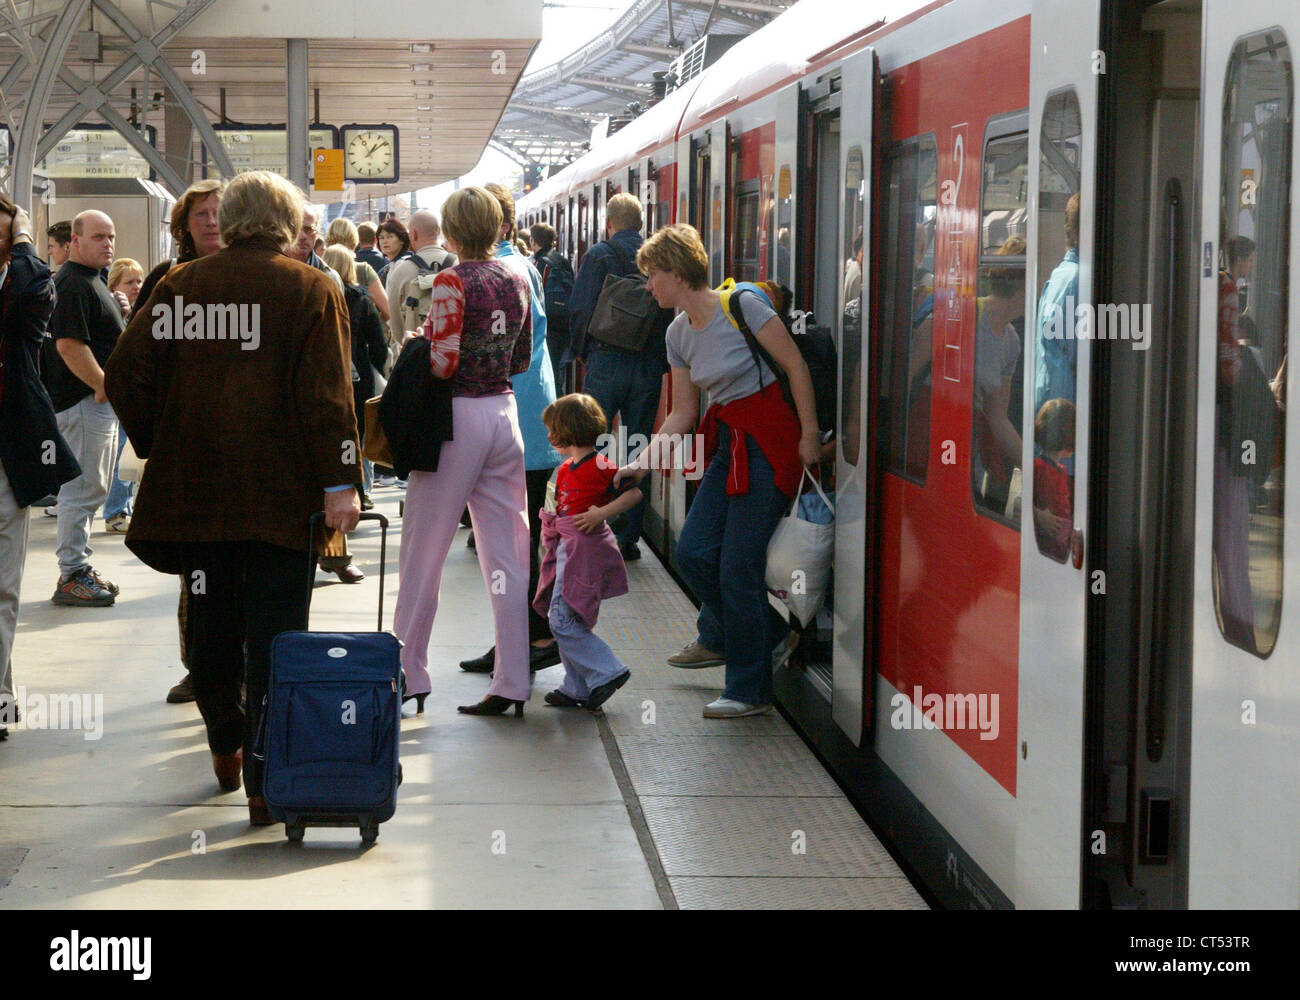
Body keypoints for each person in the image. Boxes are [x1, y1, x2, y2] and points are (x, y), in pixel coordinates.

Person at [104, 169, 362, 824]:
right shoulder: (311, 288)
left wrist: (163, 440)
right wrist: (341, 483)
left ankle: (224, 739)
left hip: (198, 500)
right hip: (283, 502)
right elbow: (328, 397)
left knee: (213, 632)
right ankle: (263, 780)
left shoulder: (181, 286)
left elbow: (125, 375)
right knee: (278, 636)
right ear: (284, 221)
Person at [617, 224, 820, 718]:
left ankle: (748, 691)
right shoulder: (676, 333)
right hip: (729, 444)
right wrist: (642, 462)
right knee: (694, 553)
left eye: (652, 275)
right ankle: (765, 634)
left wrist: (810, 435)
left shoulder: (743, 307)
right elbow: (683, 411)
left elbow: (795, 367)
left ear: (678, 272)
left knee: (736, 566)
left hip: (771, 443)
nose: (647, 286)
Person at [391, 186, 534, 719]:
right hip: (504, 414)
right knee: (507, 553)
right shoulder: (518, 277)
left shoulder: (452, 280)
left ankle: (408, 673)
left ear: (451, 232)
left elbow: (444, 363)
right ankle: (513, 679)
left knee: (423, 551)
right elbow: (520, 356)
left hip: (456, 420)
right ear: (497, 226)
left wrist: (419, 343)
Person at [456, 183, 561, 674]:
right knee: (518, 539)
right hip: (527, 419)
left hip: (513, 419)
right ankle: (522, 640)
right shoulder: (518, 265)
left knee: (514, 542)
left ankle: (531, 639)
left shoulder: (498, 272)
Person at [130, 179, 225, 705]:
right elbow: (133, 364)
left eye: (218, 213)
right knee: (197, 568)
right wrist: (154, 436)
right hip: (188, 447)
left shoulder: (250, 277)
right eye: (200, 214)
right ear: (183, 225)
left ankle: (237, 668)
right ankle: (200, 666)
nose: (210, 221)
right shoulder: (168, 280)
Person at [0, 197, 81, 741]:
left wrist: (25, 240)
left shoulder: (25, 288)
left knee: (4, 584)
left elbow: (35, 289)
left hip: (10, 452)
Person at [567, 192, 666, 561]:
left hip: (605, 362)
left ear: (609, 223)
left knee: (593, 444)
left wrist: (583, 353)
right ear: (641, 222)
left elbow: (580, 308)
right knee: (638, 446)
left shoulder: (598, 255)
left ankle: (596, 524)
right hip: (647, 366)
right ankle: (629, 536)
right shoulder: (656, 255)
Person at [534, 394, 638, 711]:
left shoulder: (601, 465)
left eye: (553, 429)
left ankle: (607, 671)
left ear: (568, 429)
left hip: (583, 550)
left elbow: (633, 493)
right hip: (568, 547)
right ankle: (576, 686)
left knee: (561, 620)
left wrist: (600, 514)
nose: (549, 436)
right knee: (570, 617)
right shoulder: (566, 468)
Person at [43, 210, 124, 607]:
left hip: (90, 403)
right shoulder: (73, 283)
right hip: (81, 403)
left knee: (92, 487)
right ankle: (72, 573)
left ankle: (77, 568)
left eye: (111, 237)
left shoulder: (91, 281)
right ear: (74, 241)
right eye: (97, 237)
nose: (107, 244)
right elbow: (69, 345)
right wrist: (102, 385)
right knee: (81, 489)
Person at [289, 207, 362, 585]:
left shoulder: (327, 275)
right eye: (299, 230)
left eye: (311, 232)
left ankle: (335, 557)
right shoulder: (278, 272)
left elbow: (340, 336)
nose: (305, 238)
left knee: (335, 472)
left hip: (331, 377)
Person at [322, 244, 388, 511]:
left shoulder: (321, 295)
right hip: (359, 375)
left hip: (330, 373)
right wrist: (378, 368)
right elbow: (379, 344)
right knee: (358, 432)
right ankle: (361, 488)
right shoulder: (362, 300)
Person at [972, 235, 1025, 512]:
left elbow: (998, 418)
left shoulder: (1011, 340)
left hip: (972, 464)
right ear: (1020, 288)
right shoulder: (968, 317)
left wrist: (1036, 470)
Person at [100, 258, 145, 534]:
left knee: (126, 451)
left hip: (127, 389)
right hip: (117, 390)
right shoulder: (116, 307)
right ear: (115, 285)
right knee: (123, 451)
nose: (136, 287)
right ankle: (116, 512)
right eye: (129, 282)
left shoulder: (132, 308)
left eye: (139, 281)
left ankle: (120, 509)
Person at [382, 209, 457, 356]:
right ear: (438, 232)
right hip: (452, 357)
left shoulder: (401, 270)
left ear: (414, 235)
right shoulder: (457, 265)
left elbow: (396, 328)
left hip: (415, 359)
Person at [530, 221, 574, 390]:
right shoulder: (562, 262)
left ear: (534, 241)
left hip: (548, 328)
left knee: (549, 375)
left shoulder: (540, 264)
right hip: (564, 326)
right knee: (558, 374)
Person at [327, 217, 390, 322]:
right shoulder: (363, 270)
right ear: (354, 241)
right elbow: (388, 311)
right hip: (359, 335)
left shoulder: (316, 269)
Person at [375, 216, 415, 281]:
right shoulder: (386, 270)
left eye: (390, 236)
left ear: (401, 240)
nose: (385, 241)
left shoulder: (405, 265)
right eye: (381, 238)